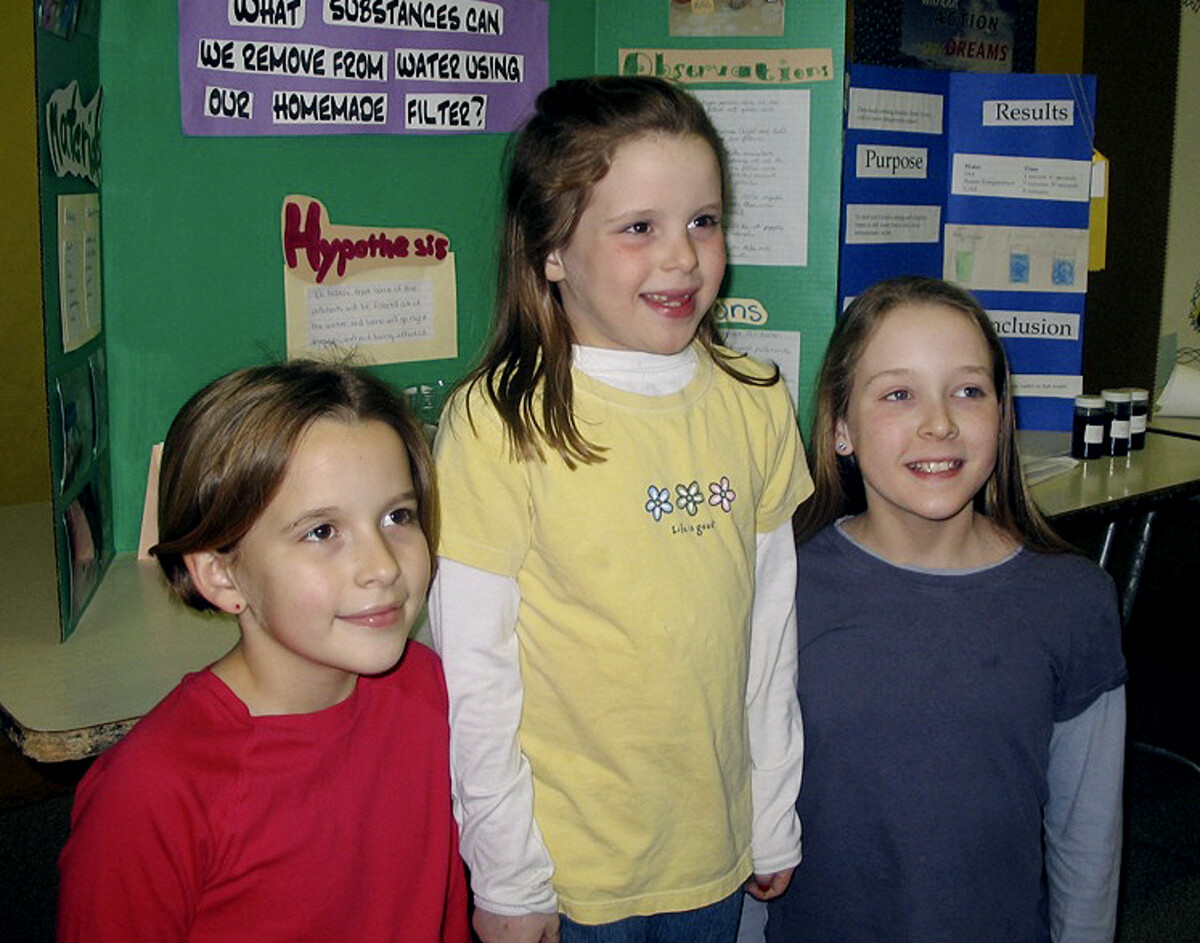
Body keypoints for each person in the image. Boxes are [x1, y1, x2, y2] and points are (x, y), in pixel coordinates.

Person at [430, 76, 812, 943]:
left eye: (703, 221)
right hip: (566, 870)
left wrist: (772, 807)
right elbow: (475, 678)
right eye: (639, 227)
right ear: (551, 250)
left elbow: (768, 636)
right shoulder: (498, 422)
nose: (682, 257)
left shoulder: (754, 401)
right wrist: (507, 874)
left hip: (708, 849)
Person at [763, 276, 1127, 943]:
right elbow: (753, 830)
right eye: (899, 393)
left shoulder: (1073, 601)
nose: (940, 422)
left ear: (1001, 413)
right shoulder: (781, 591)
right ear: (841, 426)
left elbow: (1087, 834)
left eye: (968, 390)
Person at [57, 361, 470, 943]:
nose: (382, 566)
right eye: (322, 531)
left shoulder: (428, 689)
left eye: (396, 516)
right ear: (223, 576)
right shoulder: (154, 793)